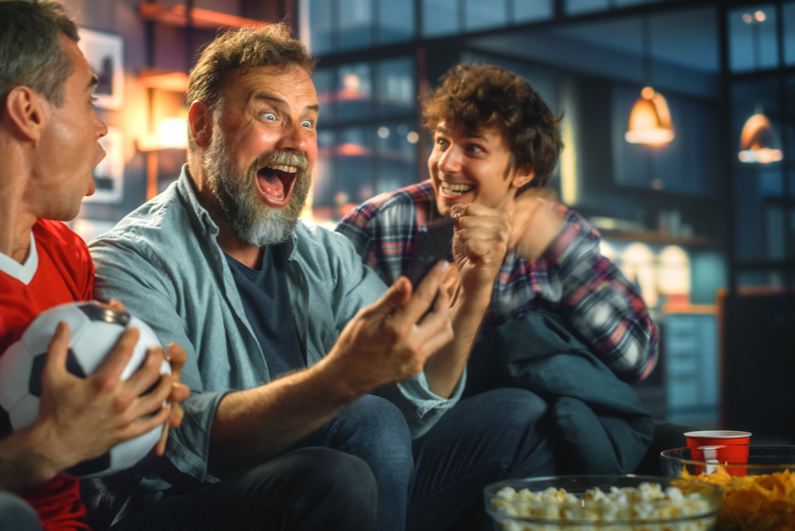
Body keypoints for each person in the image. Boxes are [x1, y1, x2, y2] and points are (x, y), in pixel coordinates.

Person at [90, 24, 555, 531]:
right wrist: (341, 378)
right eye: (270, 116)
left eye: (308, 124)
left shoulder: (326, 254)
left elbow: (417, 398)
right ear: (202, 126)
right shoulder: (131, 259)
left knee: (519, 415)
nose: (296, 142)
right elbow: (175, 443)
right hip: (199, 505)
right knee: (365, 425)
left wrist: (476, 285)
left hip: (340, 490)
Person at [337, 63, 660, 473]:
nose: (446, 163)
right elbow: (313, 347)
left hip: (509, 444)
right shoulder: (380, 220)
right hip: (387, 437)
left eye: (473, 148)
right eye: (441, 142)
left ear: (523, 170)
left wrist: (559, 248)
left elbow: (636, 357)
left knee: (528, 411)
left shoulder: (558, 235)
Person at [0, 1, 190, 530]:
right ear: (30, 113)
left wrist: (136, 411)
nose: (103, 127)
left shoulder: (66, 250)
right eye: (90, 99)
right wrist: (43, 450)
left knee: (325, 478)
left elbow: (113, 461)